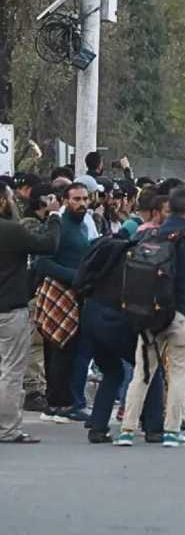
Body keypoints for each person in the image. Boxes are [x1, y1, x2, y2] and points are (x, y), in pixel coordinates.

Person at [113, 185, 185, 448]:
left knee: (142, 374)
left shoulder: (151, 236)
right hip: (184, 316)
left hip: (151, 315)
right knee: (178, 376)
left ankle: (127, 430)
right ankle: (171, 431)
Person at [0, 182, 60, 444]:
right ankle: (7, 427)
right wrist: (55, 216)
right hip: (10, 308)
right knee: (11, 371)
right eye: (11, 197)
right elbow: (47, 244)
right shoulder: (10, 231)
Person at [33, 181, 94, 423]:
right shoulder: (58, 225)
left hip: (77, 294)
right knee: (59, 349)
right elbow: (42, 262)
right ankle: (57, 405)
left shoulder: (83, 226)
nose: (82, 204)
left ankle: (64, 401)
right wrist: (73, 276)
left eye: (85, 199)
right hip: (59, 294)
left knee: (70, 350)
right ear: (66, 201)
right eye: (77, 199)